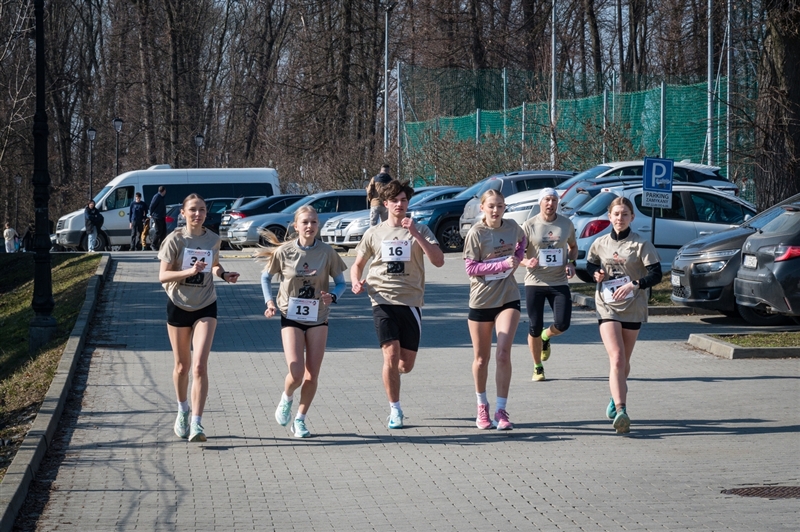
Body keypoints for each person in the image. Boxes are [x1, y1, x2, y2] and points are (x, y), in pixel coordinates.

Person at [351, 180, 444, 429]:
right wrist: (356, 282)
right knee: (390, 356)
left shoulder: (420, 229)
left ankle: (392, 374)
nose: (399, 204)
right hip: (381, 298)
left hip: (411, 300)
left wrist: (415, 233)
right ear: (386, 204)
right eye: (394, 200)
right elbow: (357, 265)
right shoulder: (374, 233)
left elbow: (438, 261)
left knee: (405, 365)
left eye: (403, 200)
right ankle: (395, 410)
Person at [258, 206, 348, 438]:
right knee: (296, 372)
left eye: (314, 222)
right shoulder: (284, 252)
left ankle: (300, 419)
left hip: (318, 316)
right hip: (291, 316)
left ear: (318, 226)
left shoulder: (327, 252)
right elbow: (266, 277)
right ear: (296, 226)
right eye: (305, 222)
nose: (310, 226)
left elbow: (341, 283)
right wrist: (269, 302)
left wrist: (333, 296)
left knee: (312, 375)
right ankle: (287, 398)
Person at [158, 193, 240, 442]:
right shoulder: (175, 239)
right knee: (182, 367)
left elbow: (214, 265)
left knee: (199, 366)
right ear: (183, 213)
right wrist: (189, 271)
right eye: (193, 209)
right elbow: (163, 276)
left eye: (202, 210)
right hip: (179, 304)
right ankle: (183, 409)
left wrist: (224, 275)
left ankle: (197, 423)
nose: (198, 214)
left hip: (206, 304)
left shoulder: (213, 239)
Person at [586, 196, 661, 434]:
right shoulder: (600, 242)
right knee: (617, 358)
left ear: (632, 217)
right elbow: (589, 266)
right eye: (616, 214)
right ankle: (621, 411)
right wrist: (596, 274)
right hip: (607, 305)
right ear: (609, 217)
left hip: (633, 305)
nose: (620, 218)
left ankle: (614, 395)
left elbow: (656, 274)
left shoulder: (641, 244)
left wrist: (634, 284)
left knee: (624, 362)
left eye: (625, 214)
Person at [463, 190, 526, 430]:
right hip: (481, 300)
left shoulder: (512, 227)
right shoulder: (476, 233)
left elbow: (523, 241)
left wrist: (517, 258)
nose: (495, 210)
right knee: (481, 359)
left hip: (508, 296)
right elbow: (471, 268)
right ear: (482, 208)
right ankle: (482, 406)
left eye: (500, 206)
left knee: (503, 353)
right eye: (491, 206)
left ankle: (501, 410)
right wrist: (501, 264)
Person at [520, 188, 578, 382]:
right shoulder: (529, 225)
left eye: (554, 200)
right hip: (534, 281)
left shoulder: (566, 224)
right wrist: (526, 262)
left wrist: (571, 263)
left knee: (563, 324)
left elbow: (573, 247)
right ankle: (537, 367)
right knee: (534, 326)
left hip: (559, 280)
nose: (550, 204)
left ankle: (546, 336)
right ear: (540, 202)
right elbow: (517, 254)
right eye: (547, 200)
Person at [150, 186, 168, 250]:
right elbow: (152, 205)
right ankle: (153, 244)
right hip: (157, 216)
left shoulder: (161, 197)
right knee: (158, 231)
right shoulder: (157, 196)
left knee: (163, 231)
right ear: (164, 191)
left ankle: (161, 245)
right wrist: (151, 213)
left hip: (162, 216)